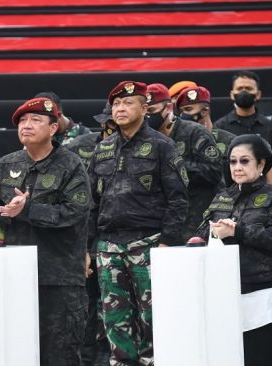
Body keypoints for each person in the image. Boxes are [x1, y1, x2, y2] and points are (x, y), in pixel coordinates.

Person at [0, 97, 90, 366]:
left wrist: (27, 211)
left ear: (53, 128)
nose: (26, 126)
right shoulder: (7, 164)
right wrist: (7, 211)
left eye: (35, 120)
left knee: (60, 354)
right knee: (18, 353)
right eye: (23, 121)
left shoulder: (71, 165)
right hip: (17, 276)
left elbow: (75, 212)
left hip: (59, 279)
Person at [88, 80, 188, 365]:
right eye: (116, 104)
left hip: (150, 243)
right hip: (108, 247)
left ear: (145, 109)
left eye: (128, 103)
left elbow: (178, 199)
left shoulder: (163, 147)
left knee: (154, 318)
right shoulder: (103, 149)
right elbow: (92, 204)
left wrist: (169, 241)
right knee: (114, 320)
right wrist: (89, 246)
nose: (120, 108)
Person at [196, 134, 272, 366]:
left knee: (264, 359)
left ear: (261, 164)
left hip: (268, 294)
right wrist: (208, 235)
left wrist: (238, 231)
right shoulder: (223, 196)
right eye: (233, 161)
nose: (237, 167)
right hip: (230, 293)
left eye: (245, 161)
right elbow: (203, 232)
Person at [66, 102, 116, 366]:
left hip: (118, 239)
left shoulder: (140, 149)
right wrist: (83, 247)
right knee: (83, 312)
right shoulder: (79, 148)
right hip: (83, 238)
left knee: (115, 315)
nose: (109, 128)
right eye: (107, 123)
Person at [145, 83, 221, 241]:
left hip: (197, 221)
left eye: (152, 111)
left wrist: (176, 165)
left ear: (168, 108)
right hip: (161, 224)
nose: (149, 117)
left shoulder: (194, 132)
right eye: (146, 112)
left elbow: (214, 172)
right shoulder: (146, 139)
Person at [215, 70, 272, 186]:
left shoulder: (270, 125)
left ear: (258, 94)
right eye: (240, 88)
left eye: (249, 88)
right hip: (230, 191)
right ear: (232, 94)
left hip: (263, 190)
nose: (244, 92)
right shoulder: (220, 126)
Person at [176, 85, 236, 185]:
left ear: (204, 111)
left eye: (188, 109)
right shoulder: (177, 142)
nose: (184, 115)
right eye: (181, 111)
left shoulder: (230, 141)